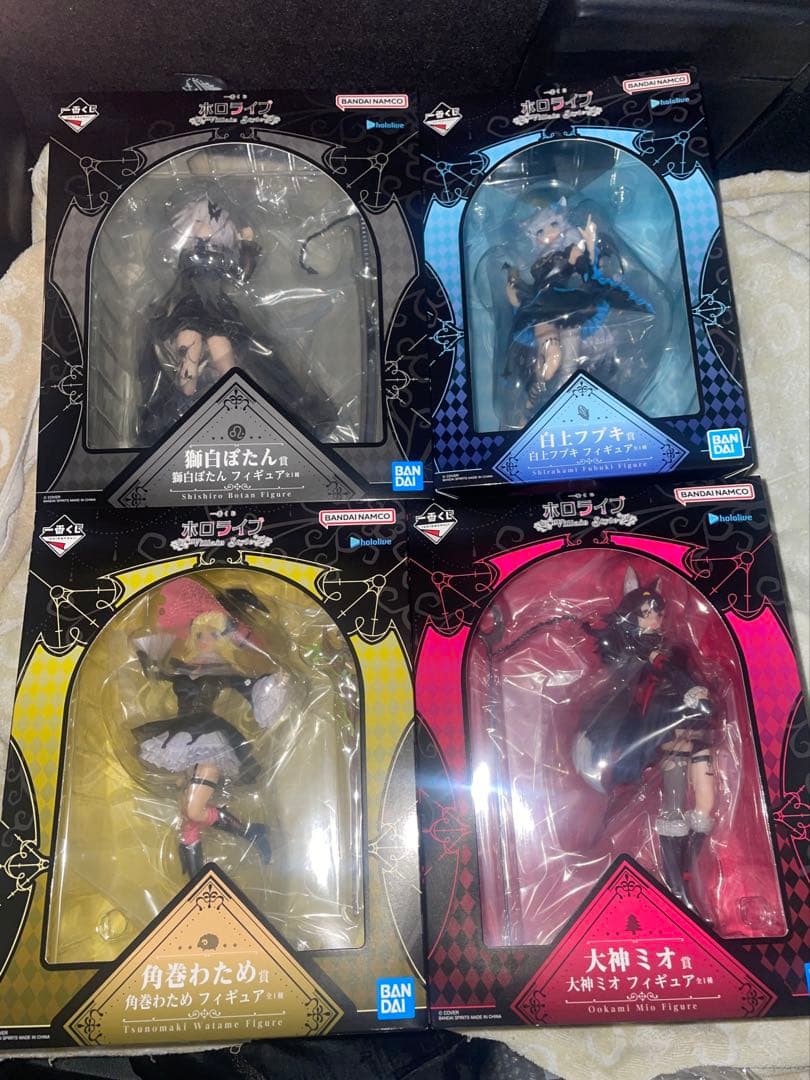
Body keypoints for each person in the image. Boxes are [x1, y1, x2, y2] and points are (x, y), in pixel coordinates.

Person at [573, 568, 716, 916]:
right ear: (632, 616)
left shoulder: (670, 648)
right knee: (674, 806)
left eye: (658, 613)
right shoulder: (641, 649)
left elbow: (677, 668)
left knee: (706, 803)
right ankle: (680, 891)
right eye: (647, 613)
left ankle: (688, 878)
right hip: (665, 725)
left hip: (691, 720)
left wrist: (697, 693)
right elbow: (664, 669)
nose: (655, 619)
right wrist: (691, 690)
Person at [131, 576, 297, 877]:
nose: (204, 638)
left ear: (223, 638)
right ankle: (195, 875)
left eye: (212, 633)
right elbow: (158, 672)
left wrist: (274, 683)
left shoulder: (223, 671)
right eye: (199, 632)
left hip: (209, 740)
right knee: (187, 813)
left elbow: (250, 687)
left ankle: (251, 831)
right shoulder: (182, 668)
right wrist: (146, 653)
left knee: (193, 809)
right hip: (181, 736)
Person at [139, 191, 338, 441]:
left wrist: (247, 244)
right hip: (189, 305)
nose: (205, 229)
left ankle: (236, 398)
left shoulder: (222, 259)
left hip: (217, 308)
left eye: (211, 224)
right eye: (199, 222)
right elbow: (178, 271)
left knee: (222, 347)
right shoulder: (186, 257)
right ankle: (177, 405)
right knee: (190, 343)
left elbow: (242, 274)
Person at [497, 197, 655, 428]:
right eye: (540, 230)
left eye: (553, 224)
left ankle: (562, 400)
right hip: (543, 307)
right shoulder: (537, 260)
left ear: (562, 222)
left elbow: (589, 271)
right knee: (551, 357)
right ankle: (529, 409)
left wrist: (590, 246)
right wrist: (514, 290)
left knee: (567, 361)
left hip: (570, 305)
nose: (549, 233)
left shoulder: (571, 249)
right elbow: (530, 288)